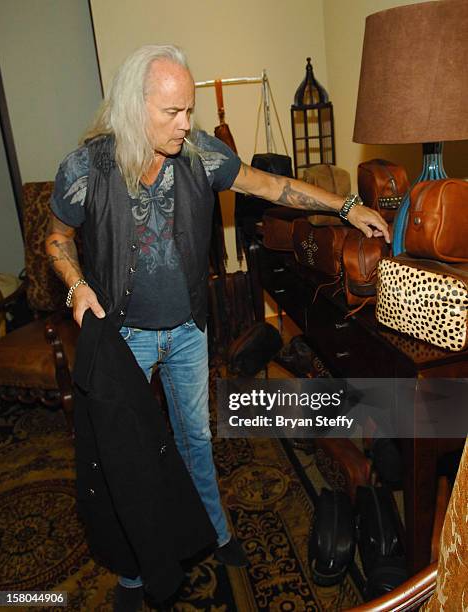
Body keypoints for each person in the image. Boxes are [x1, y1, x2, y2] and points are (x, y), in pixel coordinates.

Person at [46, 44, 389, 608]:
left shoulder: (198, 153)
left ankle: (216, 531)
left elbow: (268, 186)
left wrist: (347, 206)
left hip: (185, 330)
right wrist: (76, 285)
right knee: (128, 457)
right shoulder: (86, 167)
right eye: (172, 113)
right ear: (135, 107)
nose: (186, 123)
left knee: (196, 438)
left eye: (189, 110)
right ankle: (135, 571)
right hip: (121, 336)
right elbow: (56, 237)